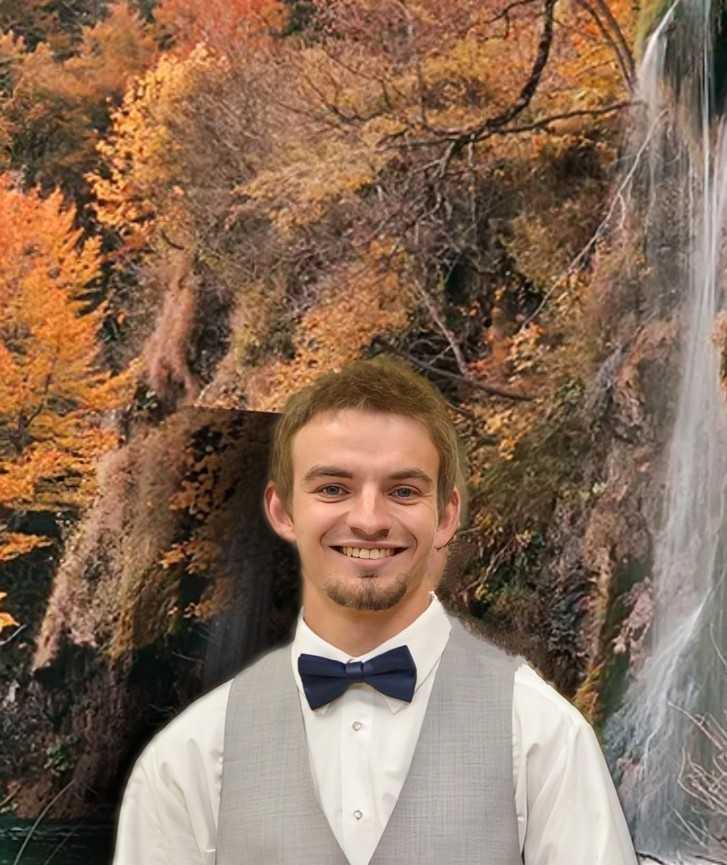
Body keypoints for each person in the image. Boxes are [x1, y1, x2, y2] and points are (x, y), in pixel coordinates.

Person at [111, 355, 638, 865]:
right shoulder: (188, 759)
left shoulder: (544, 737)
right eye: (333, 488)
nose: (368, 520)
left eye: (403, 490)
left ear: (446, 515)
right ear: (283, 510)